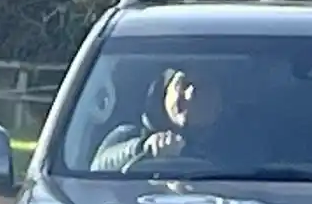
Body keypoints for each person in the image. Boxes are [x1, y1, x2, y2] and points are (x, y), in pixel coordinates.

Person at [90, 66, 226, 172]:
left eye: (202, 89)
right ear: (166, 88)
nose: (189, 95)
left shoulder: (228, 157)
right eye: (184, 84)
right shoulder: (128, 134)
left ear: (218, 109)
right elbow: (96, 169)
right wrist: (143, 147)